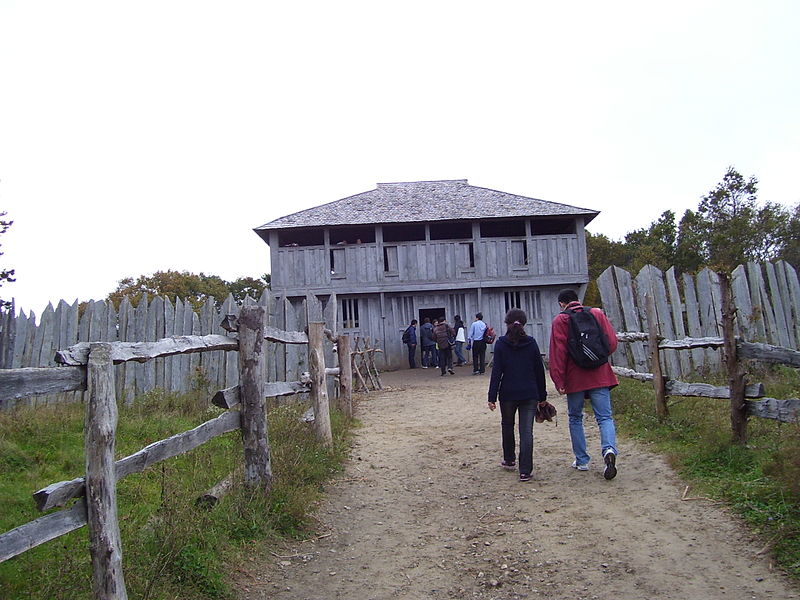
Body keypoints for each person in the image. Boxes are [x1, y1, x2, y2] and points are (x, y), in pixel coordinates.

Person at [549, 289, 620, 480]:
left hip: (575, 377)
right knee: (605, 417)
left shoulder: (560, 321)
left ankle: (582, 460)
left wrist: (559, 380)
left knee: (575, 417)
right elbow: (612, 342)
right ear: (577, 300)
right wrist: (599, 357)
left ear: (562, 304)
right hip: (599, 373)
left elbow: (558, 354)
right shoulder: (596, 313)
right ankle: (608, 450)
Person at [487, 308, 547, 482]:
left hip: (508, 393)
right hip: (529, 393)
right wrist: (542, 397)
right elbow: (539, 372)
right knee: (526, 431)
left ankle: (509, 459)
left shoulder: (500, 344)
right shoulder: (532, 343)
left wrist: (492, 397)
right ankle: (525, 471)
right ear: (524, 324)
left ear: (507, 323)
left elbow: (496, 372)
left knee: (507, 425)